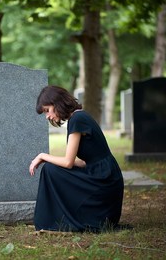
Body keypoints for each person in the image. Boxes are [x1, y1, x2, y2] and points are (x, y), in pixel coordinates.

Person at [29, 85, 124, 232]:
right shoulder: (79, 117)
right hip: (103, 175)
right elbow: (82, 162)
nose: (47, 116)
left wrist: (43, 156)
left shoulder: (77, 119)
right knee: (53, 169)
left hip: (104, 181)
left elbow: (68, 162)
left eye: (47, 110)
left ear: (57, 103)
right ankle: (59, 217)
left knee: (50, 170)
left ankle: (54, 219)